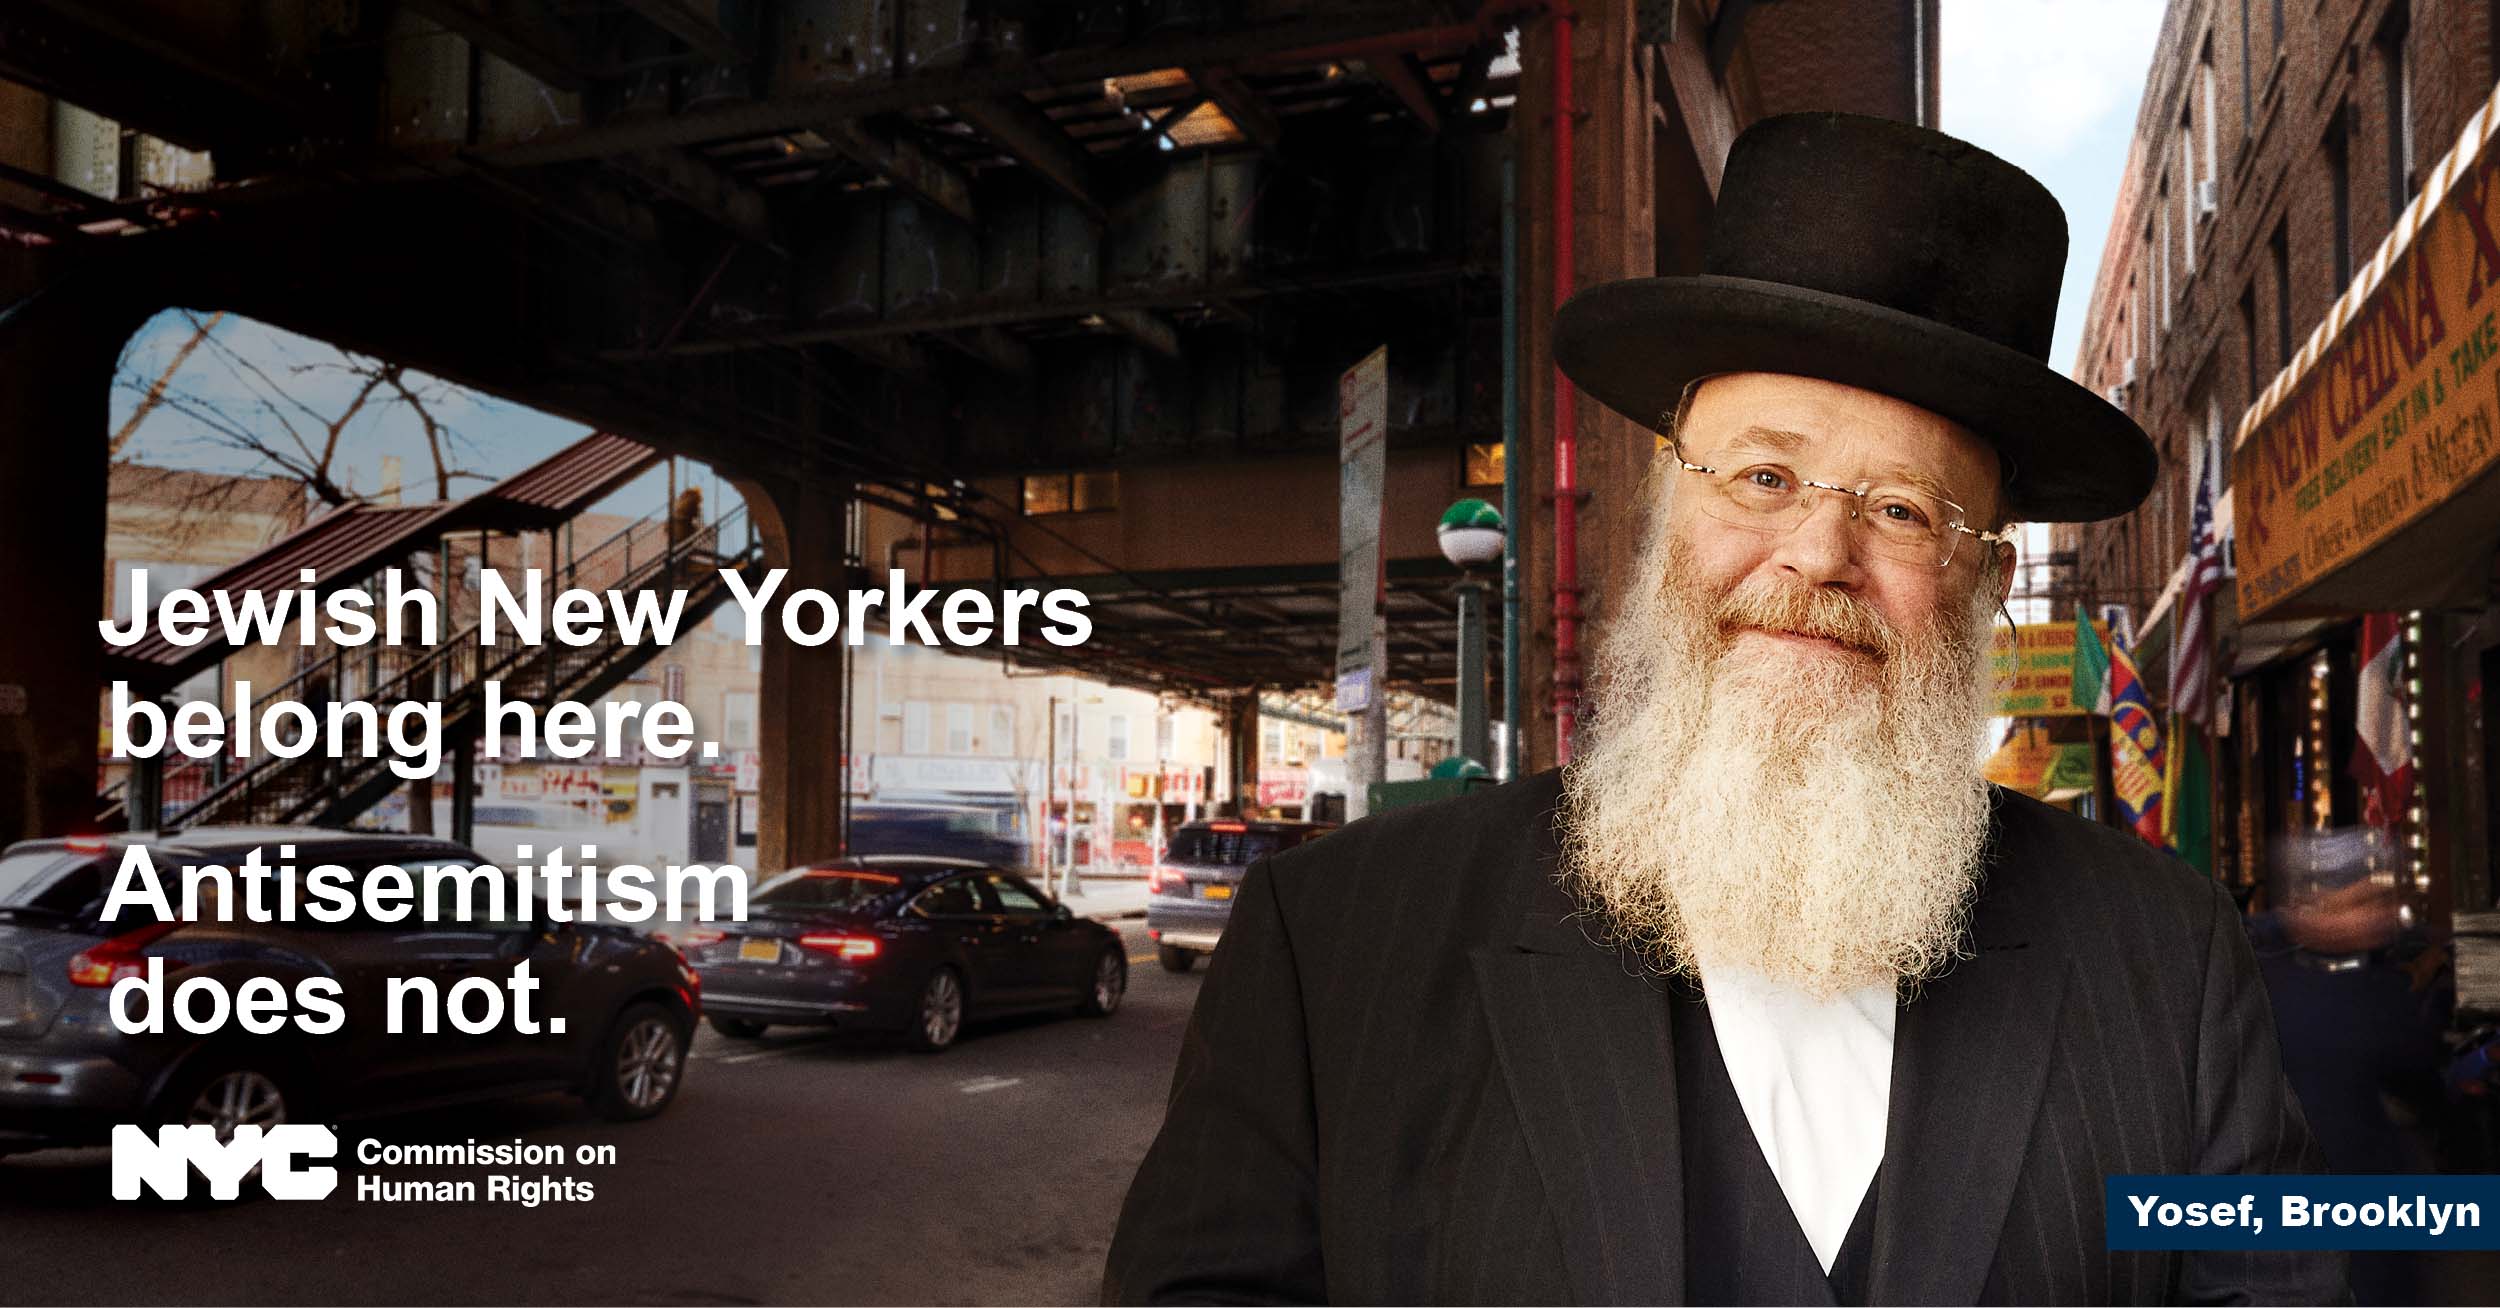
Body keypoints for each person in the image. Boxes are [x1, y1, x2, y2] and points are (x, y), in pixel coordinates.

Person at [1103, 113, 2343, 1305]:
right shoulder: (1332, 941)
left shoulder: (2168, 958)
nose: (1818, 553)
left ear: (1980, 582)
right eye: (1762, 475)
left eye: (1903, 510)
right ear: (1665, 512)